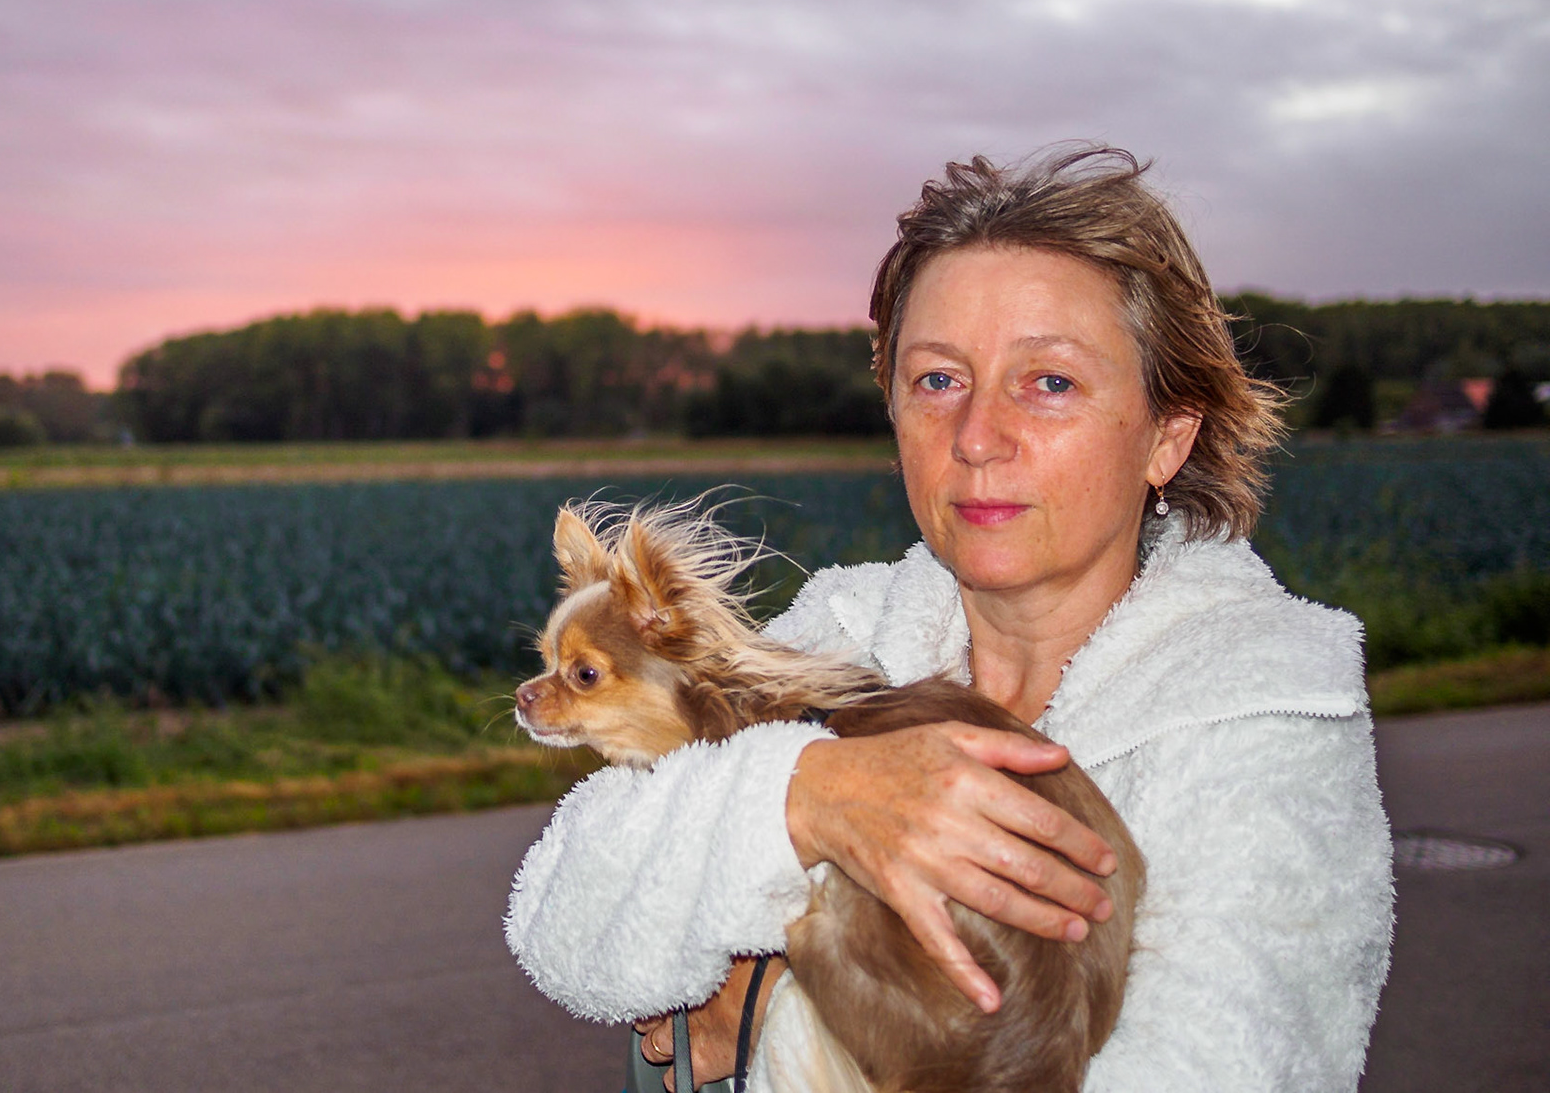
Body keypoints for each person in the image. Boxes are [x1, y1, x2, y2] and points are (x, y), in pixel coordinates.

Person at [504, 146, 1394, 1092]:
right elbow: (566, 930)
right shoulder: (840, 630)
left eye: (1048, 382)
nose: (975, 438)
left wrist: (758, 1004)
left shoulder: (1263, 714)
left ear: (1167, 436)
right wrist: (809, 796)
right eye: (938, 380)